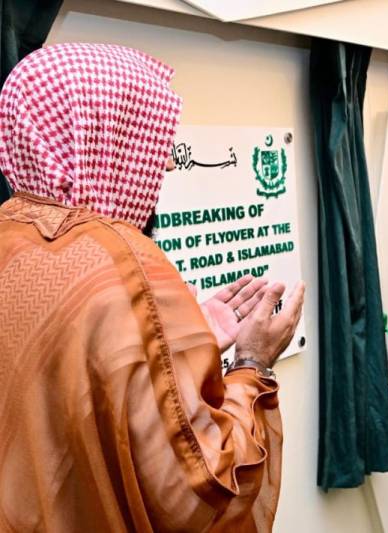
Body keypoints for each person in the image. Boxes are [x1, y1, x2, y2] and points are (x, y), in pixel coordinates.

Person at [0, 43, 305, 532]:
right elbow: (197, 491)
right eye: (149, 138)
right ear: (105, 137)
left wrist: (165, 350)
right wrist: (253, 366)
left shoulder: (11, 236)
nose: (164, 165)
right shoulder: (122, 262)